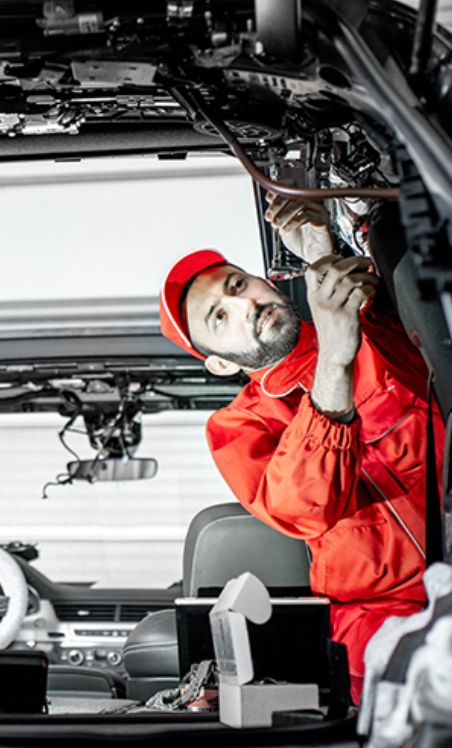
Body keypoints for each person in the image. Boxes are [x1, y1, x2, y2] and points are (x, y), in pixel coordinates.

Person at [159, 194, 440, 703]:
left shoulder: (368, 314)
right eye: (220, 318)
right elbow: (305, 508)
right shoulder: (239, 425)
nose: (246, 306)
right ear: (221, 364)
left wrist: (320, 250)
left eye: (238, 285)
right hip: (380, 621)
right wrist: (334, 355)